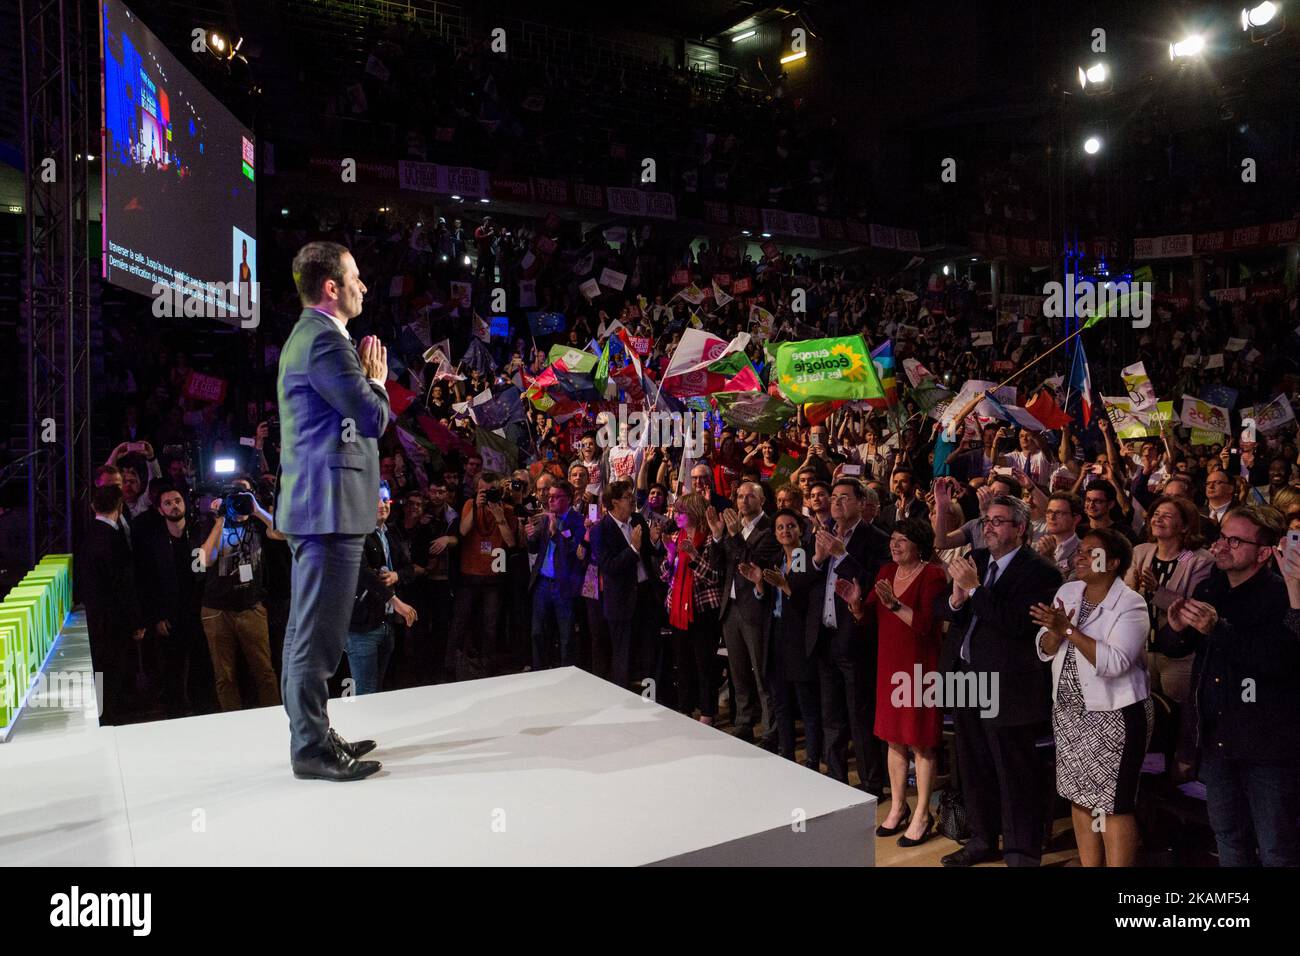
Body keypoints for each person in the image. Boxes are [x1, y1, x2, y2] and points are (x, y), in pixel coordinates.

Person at [275, 240, 389, 782]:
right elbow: (370, 419)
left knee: (307, 634)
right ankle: (311, 749)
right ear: (331, 287)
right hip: (327, 513)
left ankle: (314, 734)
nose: (362, 286)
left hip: (321, 509)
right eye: (356, 277)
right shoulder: (324, 342)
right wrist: (378, 383)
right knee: (317, 641)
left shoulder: (313, 338)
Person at [1152, 505, 1300, 866]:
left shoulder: (1283, 596)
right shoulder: (1210, 586)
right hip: (1217, 738)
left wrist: (1215, 629)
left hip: (1267, 744)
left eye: (1235, 541)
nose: (1222, 546)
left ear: (1264, 553)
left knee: (1276, 846)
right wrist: (1175, 629)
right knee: (1228, 837)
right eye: (1221, 537)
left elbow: (1277, 661)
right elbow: (1176, 649)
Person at [935, 495, 1062, 866]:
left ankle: (1022, 850)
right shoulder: (974, 560)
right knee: (973, 767)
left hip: (1007, 687)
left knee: (1013, 773)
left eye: (998, 521)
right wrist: (958, 600)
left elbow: (1016, 625)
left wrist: (975, 590)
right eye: (986, 520)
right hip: (965, 678)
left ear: (1020, 529)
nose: (988, 527)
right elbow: (942, 609)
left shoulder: (1041, 573)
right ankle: (982, 839)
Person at [1031, 527, 1152, 867]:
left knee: (1113, 804)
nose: (1080, 556)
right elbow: (1043, 647)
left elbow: (1114, 663)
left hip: (1115, 716)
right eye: (1079, 550)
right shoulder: (1068, 591)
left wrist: (1068, 629)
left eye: (1090, 552)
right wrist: (1054, 634)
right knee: (1079, 797)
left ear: (1112, 562)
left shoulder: (1130, 603)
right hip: (1069, 713)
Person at [842, 517, 948, 847]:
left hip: (919, 668)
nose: (895, 544)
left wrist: (894, 604)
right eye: (893, 539)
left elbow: (928, 625)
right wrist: (857, 605)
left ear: (919, 544)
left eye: (902, 540)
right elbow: (870, 616)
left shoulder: (932, 575)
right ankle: (899, 806)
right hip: (889, 665)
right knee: (893, 739)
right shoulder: (886, 571)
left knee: (920, 741)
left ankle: (921, 813)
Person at [797, 477, 889, 792]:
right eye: (833, 497)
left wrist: (843, 555)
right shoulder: (818, 536)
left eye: (844, 497)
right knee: (831, 713)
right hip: (824, 636)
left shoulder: (877, 538)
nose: (836, 503)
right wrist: (819, 558)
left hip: (856, 638)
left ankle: (871, 782)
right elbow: (800, 580)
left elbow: (878, 585)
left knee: (859, 714)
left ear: (862, 503)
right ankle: (836, 777)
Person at [1125, 496, 1213, 731]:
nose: (1157, 518)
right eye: (1155, 514)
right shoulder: (1142, 552)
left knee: (1181, 721)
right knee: (1145, 719)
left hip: (1178, 657)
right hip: (1141, 652)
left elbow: (1193, 607)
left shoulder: (1194, 559)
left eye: (1167, 515)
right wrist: (1131, 589)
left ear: (1184, 526)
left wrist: (1157, 591)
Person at [198, 479, 283, 713]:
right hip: (217, 610)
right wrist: (221, 518)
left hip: (251, 607)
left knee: (265, 671)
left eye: (244, 497)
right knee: (225, 675)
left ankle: (273, 717)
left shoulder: (258, 523)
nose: (240, 504)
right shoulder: (210, 523)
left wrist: (257, 510)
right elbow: (204, 560)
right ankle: (232, 723)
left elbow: (283, 534)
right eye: (235, 499)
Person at [707, 480, 781, 746]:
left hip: (756, 609)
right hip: (732, 608)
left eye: (750, 496)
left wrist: (734, 535)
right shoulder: (732, 528)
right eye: (739, 496)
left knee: (762, 672)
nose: (743, 501)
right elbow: (719, 565)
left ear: (761, 500)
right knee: (738, 672)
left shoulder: (771, 529)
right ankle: (744, 722)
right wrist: (717, 535)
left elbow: (753, 563)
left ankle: (772, 729)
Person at [752, 509, 823, 767]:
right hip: (776, 637)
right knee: (780, 702)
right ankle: (787, 753)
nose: (785, 531)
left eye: (790, 526)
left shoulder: (805, 557)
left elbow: (806, 602)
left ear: (800, 530)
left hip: (800, 638)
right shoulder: (775, 558)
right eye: (780, 527)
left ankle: (813, 759)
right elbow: (765, 602)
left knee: (806, 705)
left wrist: (785, 586)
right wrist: (759, 584)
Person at [135, 483, 206, 718]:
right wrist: (156, 617)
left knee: (200, 666)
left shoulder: (198, 533)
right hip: (170, 616)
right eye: (168, 503)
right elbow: (148, 584)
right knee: (173, 668)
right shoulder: (154, 543)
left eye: (177, 501)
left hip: (200, 613)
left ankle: (202, 708)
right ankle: (176, 712)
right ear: (160, 509)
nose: (174, 506)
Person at [77, 484, 145, 725]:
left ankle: (103, 715)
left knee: (101, 671)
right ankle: (107, 719)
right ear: (120, 506)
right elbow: (125, 586)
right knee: (111, 672)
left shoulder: (88, 536)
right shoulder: (114, 541)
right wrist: (137, 621)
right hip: (114, 621)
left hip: (94, 617)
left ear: (93, 506)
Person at [345, 486, 419, 695]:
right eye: (375, 499)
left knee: (378, 689)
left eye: (385, 500)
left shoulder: (390, 533)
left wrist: (396, 576)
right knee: (366, 690)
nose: (381, 504)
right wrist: (396, 602)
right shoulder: (355, 534)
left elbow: (409, 568)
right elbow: (363, 574)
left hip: (387, 623)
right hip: (362, 625)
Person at [446, 474, 519, 679]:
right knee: (460, 621)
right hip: (469, 574)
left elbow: (511, 543)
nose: (486, 495)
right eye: (482, 491)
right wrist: (477, 506)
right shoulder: (470, 504)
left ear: (500, 491)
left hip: (494, 576)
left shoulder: (508, 510)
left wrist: (500, 518)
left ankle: (487, 666)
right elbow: (463, 530)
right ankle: (450, 665)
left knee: (491, 623)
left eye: (490, 491)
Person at [593, 479, 662, 690]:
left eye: (631, 496)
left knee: (650, 647)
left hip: (646, 593)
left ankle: (652, 695)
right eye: (626, 497)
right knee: (623, 652)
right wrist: (633, 549)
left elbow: (651, 553)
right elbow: (609, 566)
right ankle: (622, 695)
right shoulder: (601, 530)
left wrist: (655, 540)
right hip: (621, 600)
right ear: (613, 502)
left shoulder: (638, 519)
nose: (632, 500)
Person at [661, 493, 722, 723]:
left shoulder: (709, 539)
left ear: (694, 513)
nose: (676, 516)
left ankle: (707, 712)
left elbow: (714, 576)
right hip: (677, 610)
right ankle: (684, 708)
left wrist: (694, 555)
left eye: (680, 512)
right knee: (682, 663)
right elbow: (666, 576)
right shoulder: (676, 537)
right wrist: (669, 554)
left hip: (702, 610)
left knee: (704, 665)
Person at [526, 480, 587, 670]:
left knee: (566, 635)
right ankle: (539, 673)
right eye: (549, 496)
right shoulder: (546, 518)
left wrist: (556, 532)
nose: (550, 500)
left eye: (556, 496)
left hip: (564, 585)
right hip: (543, 582)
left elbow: (576, 553)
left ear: (568, 499)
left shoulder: (577, 521)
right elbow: (535, 547)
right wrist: (529, 536)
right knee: (537, 633)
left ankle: (565, 676)